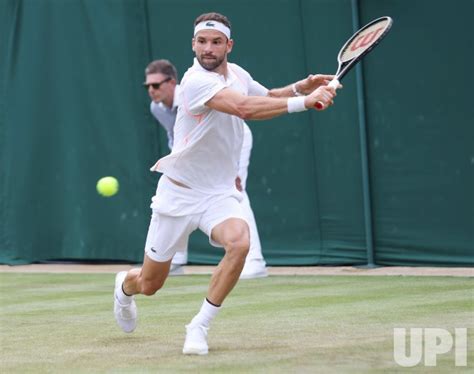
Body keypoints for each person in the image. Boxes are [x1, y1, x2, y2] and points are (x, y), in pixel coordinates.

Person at [114, 12, 337, 355]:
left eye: (216, 41)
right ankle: (124, 288)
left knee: (239, 242)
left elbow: (268, 94)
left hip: (217, 193)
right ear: (193, 44)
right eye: (201, 41)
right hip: (178, 194)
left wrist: (299, 87)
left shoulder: (238, 74)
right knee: (149, 283)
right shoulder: (193, 81)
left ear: (228, 45)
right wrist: (305, 103)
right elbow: (245, 108)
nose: (208, 48)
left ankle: (198, 326)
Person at [144, 59, 267, 279]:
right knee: (181, 195)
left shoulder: (193, 90)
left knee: (236, 193)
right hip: (195, 152)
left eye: (156, 85)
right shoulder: (156, 108)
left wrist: (230, 168)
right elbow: (178, 134)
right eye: (148, 87)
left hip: (230, 140)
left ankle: (255, 261)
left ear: (172, 82)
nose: (151, 91)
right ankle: (177, 259)